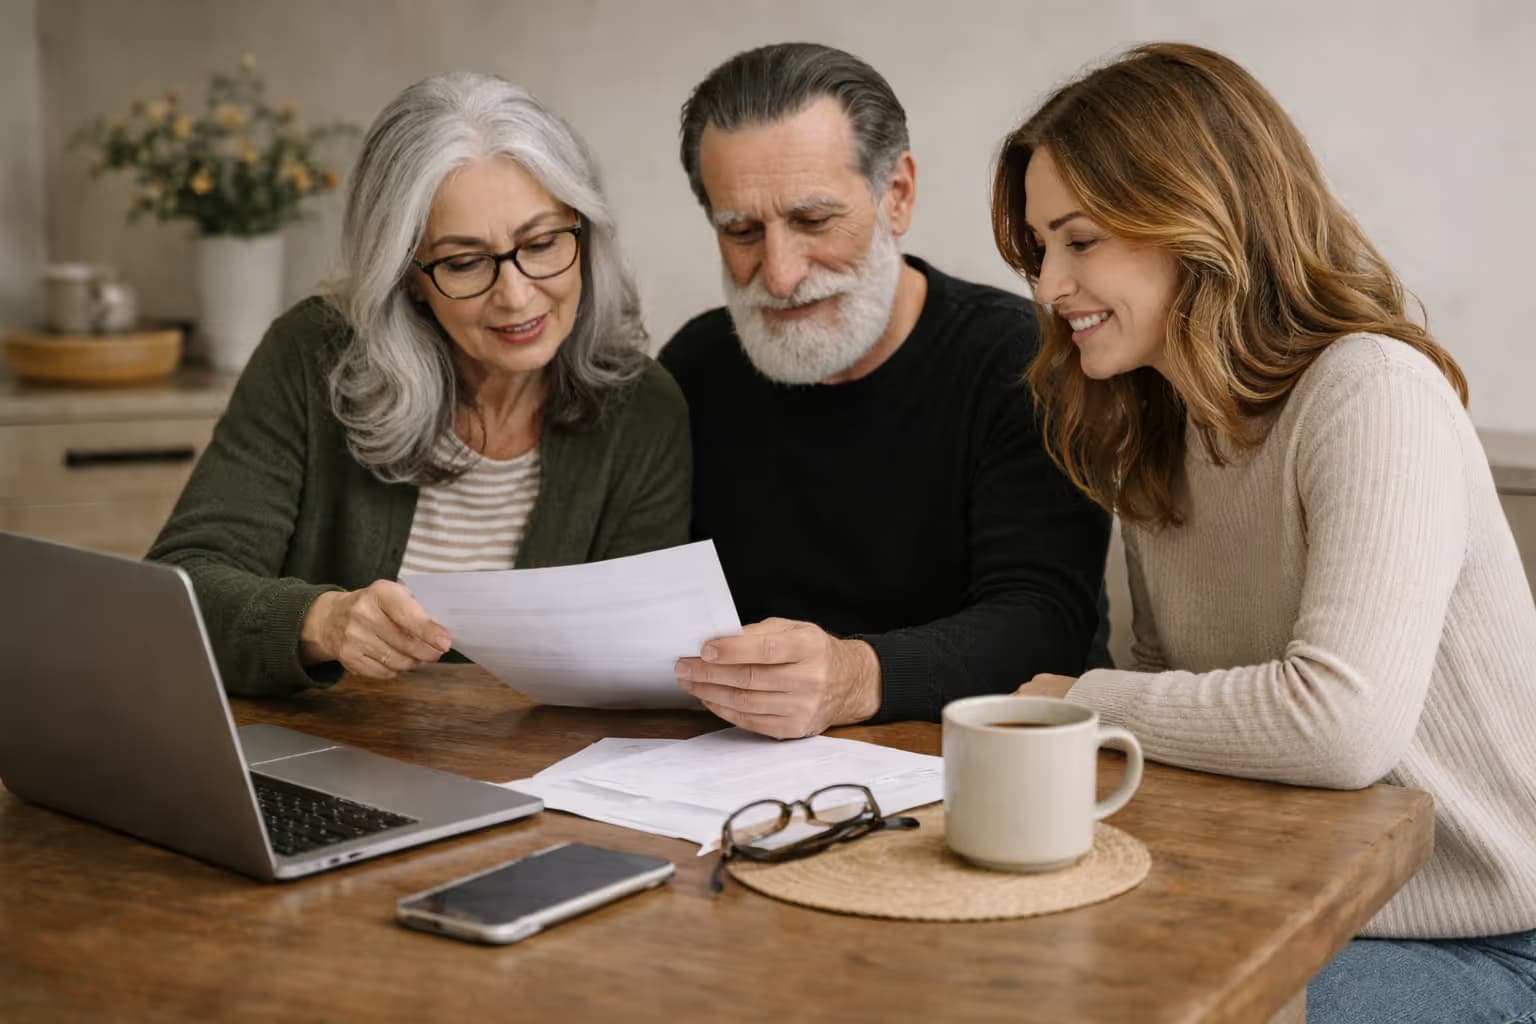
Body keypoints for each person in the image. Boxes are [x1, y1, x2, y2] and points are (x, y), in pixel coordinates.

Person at [996, 43, 1536, 1023]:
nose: (1046, 286)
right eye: (1040, 249)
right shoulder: (1156, 434)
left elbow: (1341, 722)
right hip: (1288, 906)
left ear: (1193, 217)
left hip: (1487, 939)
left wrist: (1085, 699)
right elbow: (1171, 719)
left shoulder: (1372, 394)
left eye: (1078, 241)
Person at [150, 71, 690, 697]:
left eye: (541, 243)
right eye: (464, 262)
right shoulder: (311, 358)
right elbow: (179, 586)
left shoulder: (642, 407)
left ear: (584, 229)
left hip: (543, 775)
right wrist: (319, 621)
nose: (516, 296)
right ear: (407, 275)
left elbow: (638, 663)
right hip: (331, 763)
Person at [661, 43, 1110, 740]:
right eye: (742, 231)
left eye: (814, 221)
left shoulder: (1020, 358)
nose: (779, 276)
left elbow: (1045, 624)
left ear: (896, 194)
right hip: (735, 775)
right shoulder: (696, 365)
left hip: (987, 770)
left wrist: (854, 676)